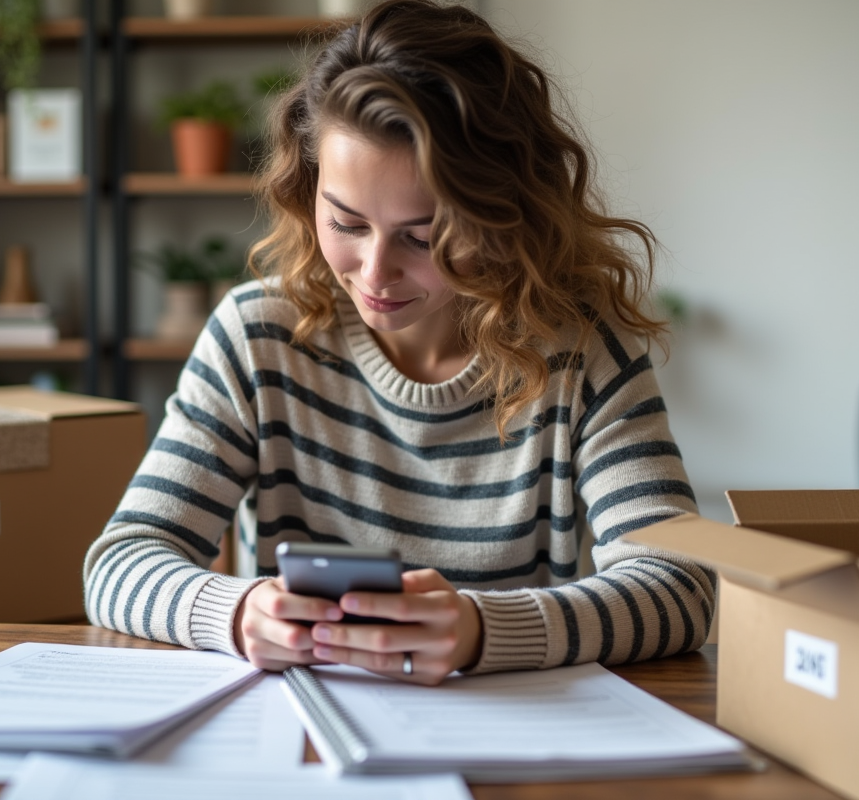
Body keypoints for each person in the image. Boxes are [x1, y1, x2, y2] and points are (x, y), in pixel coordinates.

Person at [84, 0, 712, 685]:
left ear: (502, 215)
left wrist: (481, 631)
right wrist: (236, 613)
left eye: (424, 235)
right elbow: (120, 564)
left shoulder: (586, 354)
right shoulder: (256, 338)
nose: (376, 273)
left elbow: (681, 587)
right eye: (346, 223)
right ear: (307, 189)